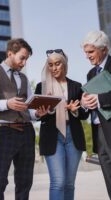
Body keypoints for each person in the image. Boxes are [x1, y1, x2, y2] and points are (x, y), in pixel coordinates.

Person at [0, 38, 41, 200]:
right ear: (10, 54)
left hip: (27, 132)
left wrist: (38, 114)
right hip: (5, 132)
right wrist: (7, 104)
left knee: (25, 182)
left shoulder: (24, 79)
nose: (24, 63)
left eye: (27, 59)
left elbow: (28, 108)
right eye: (22, 58)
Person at [35, 49, 88, 200]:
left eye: (57, 64)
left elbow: (85, 114)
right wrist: (46, 111)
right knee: (58, 182)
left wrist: (75, 110)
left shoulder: (77, 86)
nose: (54, 68)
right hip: (52, 137)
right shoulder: (42, 87)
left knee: (69, 184)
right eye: (50, 65)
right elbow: (39, 115)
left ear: (64, 65)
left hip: (73, 136)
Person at [81, 30, 111, 199]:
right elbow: (90, 101)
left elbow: (99, 99)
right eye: (86, 53)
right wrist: (85, 104)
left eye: (91, 52)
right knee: (108, 176)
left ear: (104, 49)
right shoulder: (91, 74)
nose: (87, 56)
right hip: (99, 132)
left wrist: (99, 100)